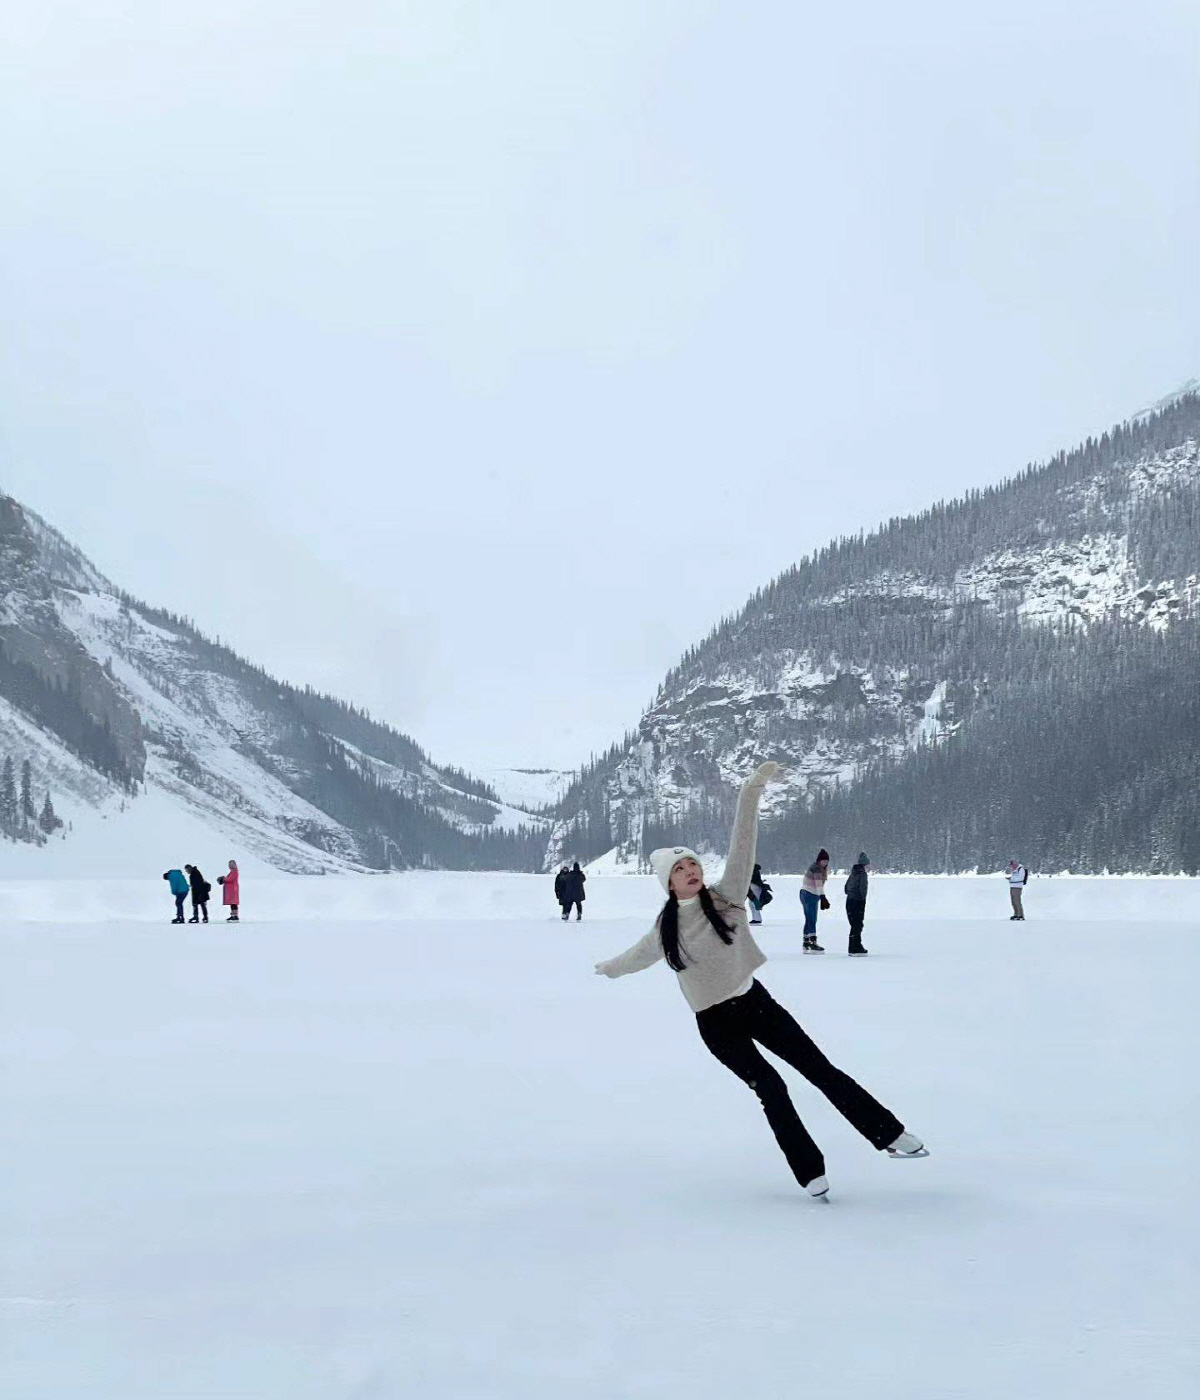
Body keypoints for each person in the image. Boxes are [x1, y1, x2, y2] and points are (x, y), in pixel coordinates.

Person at [594, 763, 927, 1200]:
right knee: (771, 1088)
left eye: (693, 862)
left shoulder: (727, 896)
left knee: (819, 1069)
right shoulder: (666, 927)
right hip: (715, 1025)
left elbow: (743, 843)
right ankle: (810, 1173)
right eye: (681, 868)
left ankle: (889, 1134)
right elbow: (637, 957)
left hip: (755, 1004)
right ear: (667, 882)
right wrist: (608, 968)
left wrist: (751, 791)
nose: (691, 870)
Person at [799, 848, 831, 953]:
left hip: (807, 894)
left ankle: (806, 942)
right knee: (812, 919)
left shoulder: (820, 868)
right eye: (823, 861)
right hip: (809, 895)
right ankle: (812, 942)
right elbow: (818, 884)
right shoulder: (816, 869)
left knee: (809, 919)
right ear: (819, 860)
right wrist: (823, 897)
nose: (825, 862)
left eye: (827, 861)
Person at [844, 852, 870, 956]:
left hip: (849, 900)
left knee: (854, 924)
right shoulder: (862, 874)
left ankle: (853, 946)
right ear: (865, 865)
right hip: (857, 901)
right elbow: (863, 889)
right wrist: (862, 900)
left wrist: (851, 893)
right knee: (858, 924)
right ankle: (856, 947)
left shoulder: (853, 873)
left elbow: (845, 888)